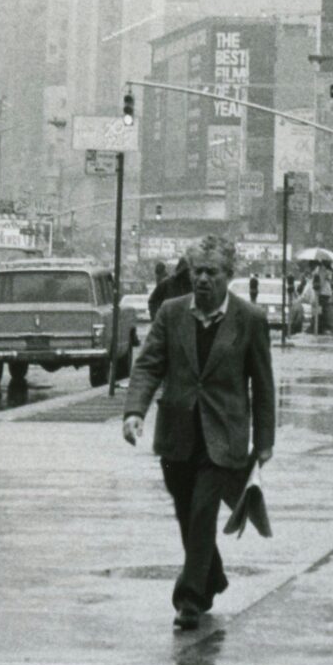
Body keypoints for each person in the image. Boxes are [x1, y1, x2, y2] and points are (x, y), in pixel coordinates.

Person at [122, 236, 277, 631]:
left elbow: (263, 385)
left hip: (223, 435)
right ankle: (213, 574)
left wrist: (264, 443)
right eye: (198, 272)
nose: (203, 279)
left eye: (213, 272)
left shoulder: (250, 319)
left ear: (230, 276)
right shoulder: (172, 313)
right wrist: (135, 412)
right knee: (185, 511)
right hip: (177, 431)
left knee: (203, 509)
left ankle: (189, 598)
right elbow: (148, 366)